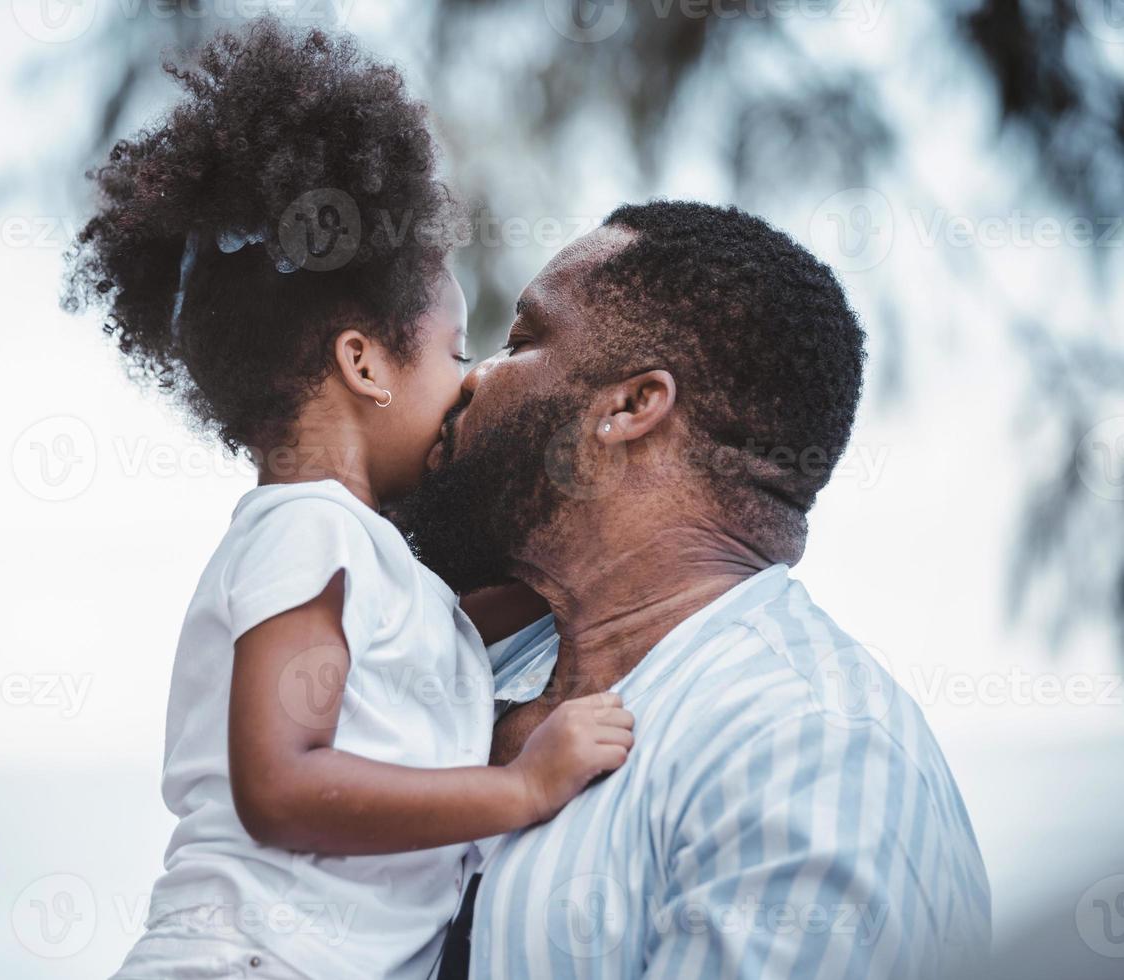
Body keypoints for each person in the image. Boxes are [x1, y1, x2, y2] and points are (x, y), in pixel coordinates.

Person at [66, 21, 634, 980]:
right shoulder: (308, 532)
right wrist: (520, 788)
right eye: (457, 352)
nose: (471, 382)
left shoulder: (356, 559)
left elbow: (446, 631)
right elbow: (282, 784)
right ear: (363, 362)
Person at [394, 201, 993, 979]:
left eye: (521, 342)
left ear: (633, 406)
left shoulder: (806, 750)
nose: (473, 380)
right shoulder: (459, 682)